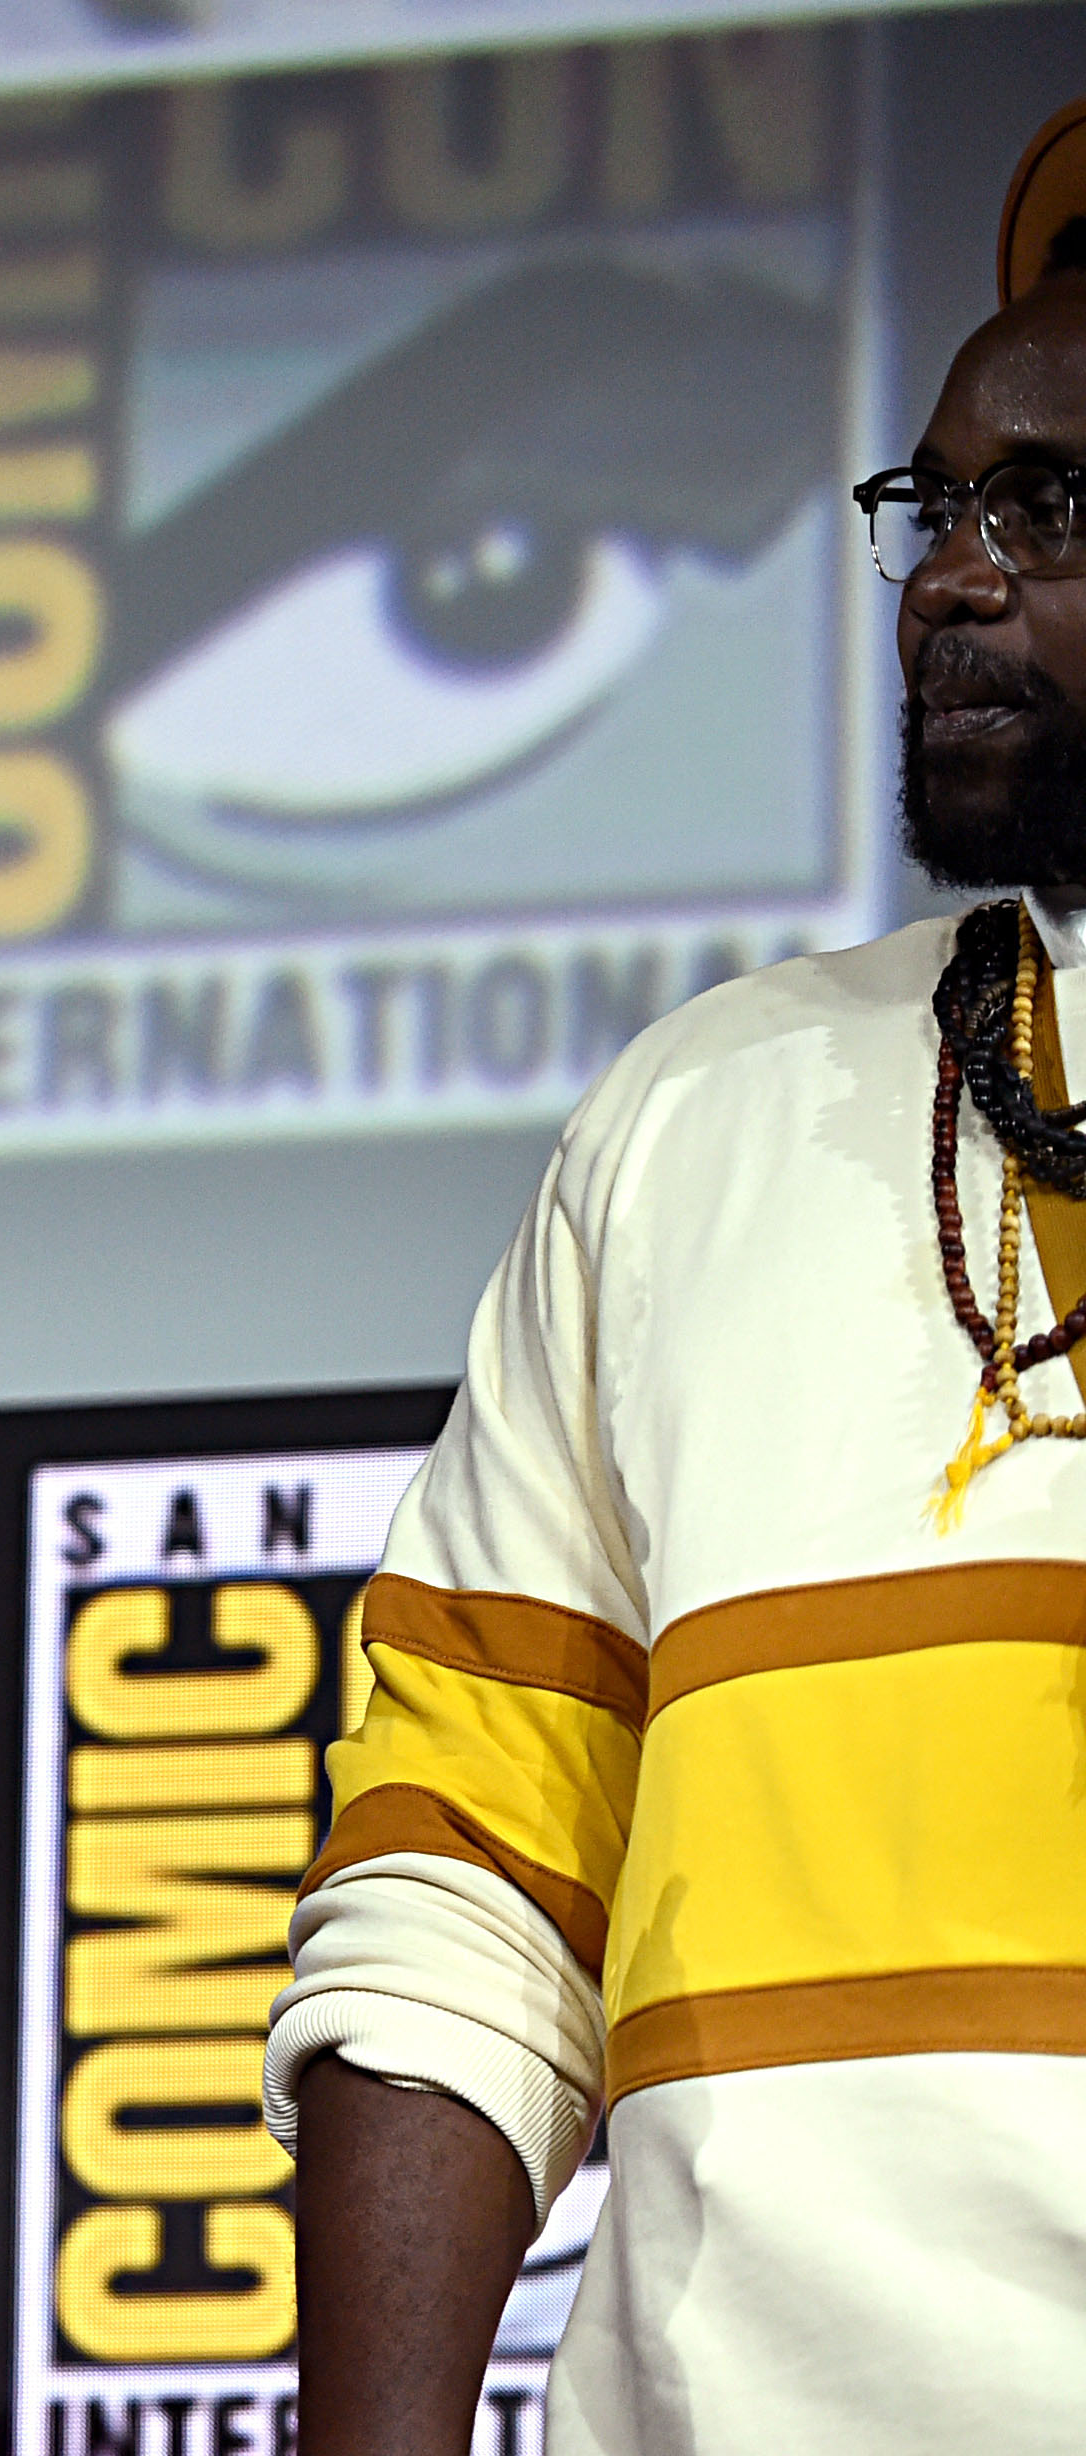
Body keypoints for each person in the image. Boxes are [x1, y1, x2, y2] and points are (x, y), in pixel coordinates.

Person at [267, 101, 1086, 2456]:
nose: (951, 575)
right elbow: (468, 1871)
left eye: (1058, 505)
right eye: (940, 506)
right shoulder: (700, 1116)